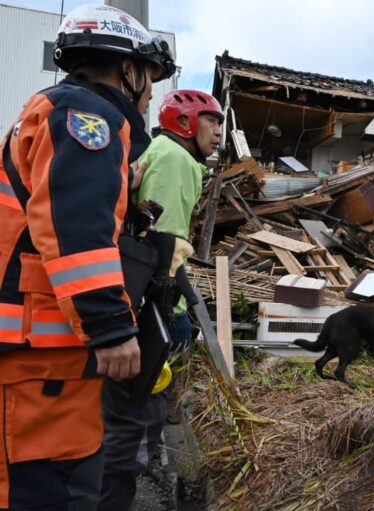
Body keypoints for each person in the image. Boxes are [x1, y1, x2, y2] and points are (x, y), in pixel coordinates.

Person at [0, 4, 174, 510]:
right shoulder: (88, 117)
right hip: (39, 358)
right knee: (47, 491)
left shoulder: (52, 112)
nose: (149, 96)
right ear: (129, 69)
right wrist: (111, 326)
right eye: (150, 81)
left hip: (44, 352)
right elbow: (73, 227)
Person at [98, 90, 223, 510]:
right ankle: (130, 481)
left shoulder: (167, 152)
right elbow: (162, 244)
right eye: (212, 121)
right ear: (186, 123)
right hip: (150, 302)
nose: (219, 131)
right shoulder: (176, 159)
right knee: (142, 401)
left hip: (140, 293)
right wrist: (170, 306)